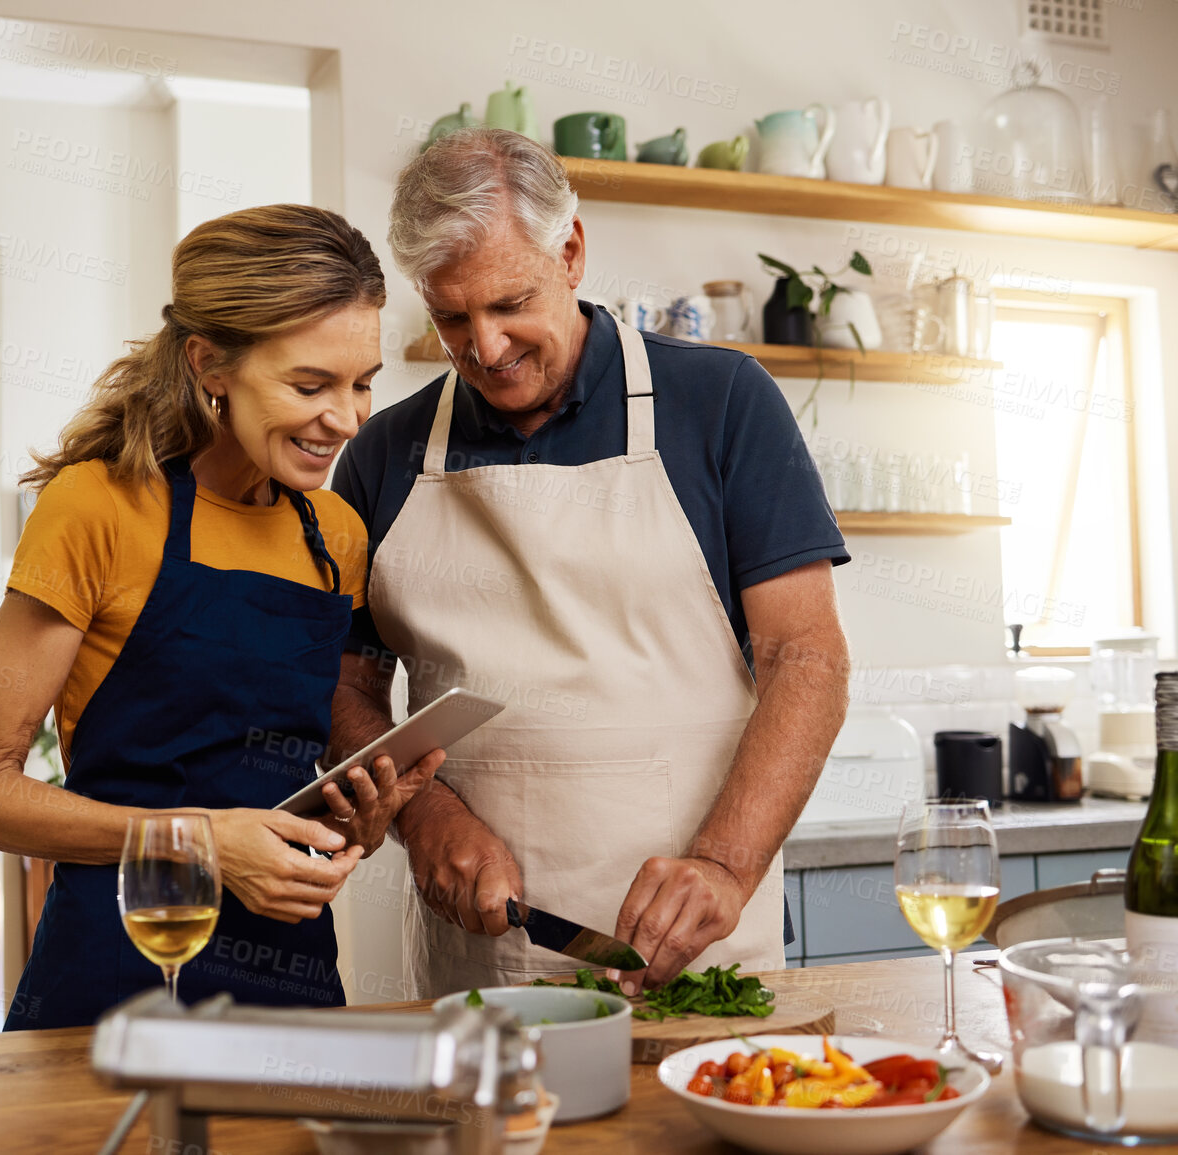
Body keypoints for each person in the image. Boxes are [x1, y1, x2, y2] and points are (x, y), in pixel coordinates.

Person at [331, 129, 852, 998]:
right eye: (451, 317)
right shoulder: (383, 452)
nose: (486, 347)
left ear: (570, 251)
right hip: (479, 960)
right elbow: (343, 689)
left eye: (509, 303)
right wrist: (423, 815)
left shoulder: (723, 404)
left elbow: (808, 657)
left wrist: (723, 862)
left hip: (695, 946)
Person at [0, 204, 441, 1030]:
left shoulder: (335, 537)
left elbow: (281, 790)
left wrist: (361, 820)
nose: (347, 419)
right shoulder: (97, 507)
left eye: (361, 384)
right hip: (120, 968)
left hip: (292, 984)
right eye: (309, 385)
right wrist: (204, 841)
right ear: (211, 364)